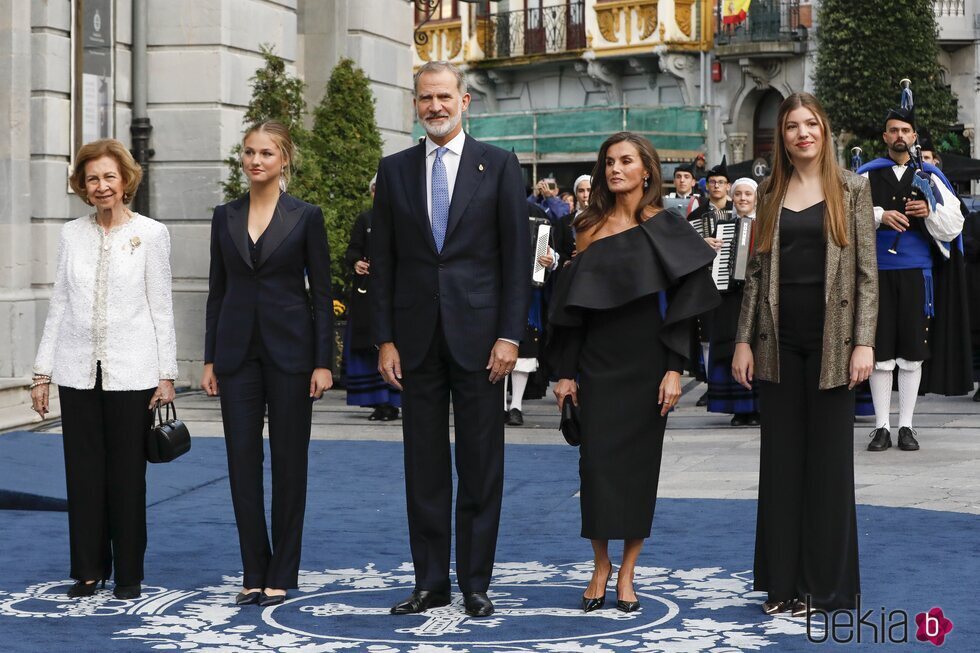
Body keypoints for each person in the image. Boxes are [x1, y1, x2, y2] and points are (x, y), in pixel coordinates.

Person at [371, 61, 530, 618]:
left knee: (482, 465)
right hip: (415, 343)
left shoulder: (501, 166)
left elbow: (516, 261)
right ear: (414, 104)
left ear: (466, 101)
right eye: (424, 98)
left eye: (444, 96)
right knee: (424, 467)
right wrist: (384, 339)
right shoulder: (393, 172)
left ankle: (476, 583)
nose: (434, 106)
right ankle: (430, 582)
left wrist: (511, 334)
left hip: (483, 340)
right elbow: (383, 264)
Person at [550, 132, 719, 614]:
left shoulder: (667, 225)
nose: (616, 169)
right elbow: (572, 311)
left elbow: (688, 304)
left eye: (626, 161)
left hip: (649, 364)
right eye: (609, 162)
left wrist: (673, 370)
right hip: (597, 364)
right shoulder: (585, 227)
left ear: (647, 170)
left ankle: (627, 572)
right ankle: (599, 565)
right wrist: (565, 374)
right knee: (597, 469)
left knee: (639, 472)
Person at [733, 92, 877, 615]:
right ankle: (783, 585)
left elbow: (866, 274)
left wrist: (864, 341)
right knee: (782, 465)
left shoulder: (853, 190)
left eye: (810, 123)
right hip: (776, 344)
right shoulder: (770, 189)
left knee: (829, 466)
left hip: (834, 345)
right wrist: (743, 340)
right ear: (782, 136)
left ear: (824, 130)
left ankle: (827, 587)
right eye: (792, 126)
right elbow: (754, 275)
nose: (802, 133)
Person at [30, 138, 177, 601]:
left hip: (132, 373)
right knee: (84, 476)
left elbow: (162, 309)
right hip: (77, 372)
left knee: (127, 478)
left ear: (126, 179)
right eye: (92, 178)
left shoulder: (151, 234)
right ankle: (89, 571)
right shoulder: (71, 234)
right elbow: (60, 303)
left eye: (109, 177)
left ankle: (129, 573)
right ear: (82, 185)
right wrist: (42, 372)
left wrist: (166, 374)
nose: (101, 186)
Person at [202, 120, 334, 607]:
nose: (256, 160)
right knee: (241, 463)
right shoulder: (224, 216)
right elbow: (218, 291)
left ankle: (283, 570)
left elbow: (322, 294)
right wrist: (210, 356)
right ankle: (253, 569)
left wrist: (324, 362)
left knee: (289, 463)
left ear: (284, 160)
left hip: (293, 355)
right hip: (236, 356)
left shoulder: (306, 216)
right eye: (249, 152)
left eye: (266, 153)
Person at [857, 107, 964, 452]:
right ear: (885, 137)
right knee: (880, 351)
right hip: (876, 275)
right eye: (893, 130)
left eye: (905, 130)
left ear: (914, 137)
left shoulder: (929, 176)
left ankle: (906, 426)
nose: (900, 135)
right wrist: (878, 215)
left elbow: (954, 224)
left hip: (918, 275)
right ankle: (881, 427)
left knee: (912, 352)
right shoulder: (866, 177)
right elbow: (843, 218)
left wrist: (929, 211)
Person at [343, 176, 401, 420]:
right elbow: (352, 250)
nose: (379, 193)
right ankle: (378, 402)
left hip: (397, 292)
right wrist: (356, 262)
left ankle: (396, 400)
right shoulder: (364, 219)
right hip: (368, 294)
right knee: (369, 346)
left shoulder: (403, 218)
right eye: (376, 189)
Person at [706, 177, 761, 426]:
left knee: (757, 350)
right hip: (730, 297)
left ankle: (758, 406)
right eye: (738, 194)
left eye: (748, 194)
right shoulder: (723, 227)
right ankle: (738, 408)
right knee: (729, 347)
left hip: (758, 297)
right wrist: (712, 252)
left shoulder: (766, 226)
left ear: (756, 198)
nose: (742, 199)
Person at [689, 157, 733, 404]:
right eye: (713, 182)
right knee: (707, 333)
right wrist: (700, 243)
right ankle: (710, 382)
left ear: (728, 185)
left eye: (721, 182)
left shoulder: (739, 209)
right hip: (706, 281)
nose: (716, 186)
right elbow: (684, 249)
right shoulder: (696, 215)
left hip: (734, 282)